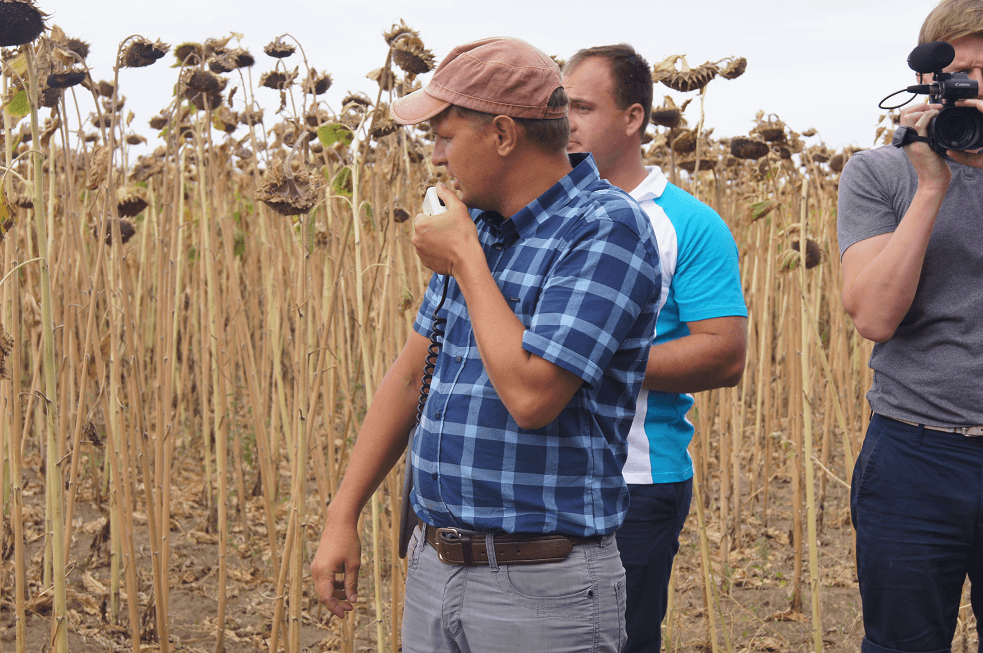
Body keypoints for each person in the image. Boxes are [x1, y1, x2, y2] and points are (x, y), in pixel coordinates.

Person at [311, 36, 663, 653]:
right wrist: (345, 511)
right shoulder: (477, 225)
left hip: (543, 588)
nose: (438, 158)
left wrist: (466, 260)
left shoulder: (606, 228)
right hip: (436, 565)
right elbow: (411, 374)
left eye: (445, 137)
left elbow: (533, 395)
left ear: (503, 134)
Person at [561, 45, 747, 653]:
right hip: (530, 481)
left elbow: (723, 353)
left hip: (633, 479)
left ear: (634, 117)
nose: (566, 122)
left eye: (583, 107)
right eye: (560, 106)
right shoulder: (538, 213)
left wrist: (579, 363)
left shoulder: (687, 224)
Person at [837, 1, 983, 651]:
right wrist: (930, 186)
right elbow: (872, 315)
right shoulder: (879, 172)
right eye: (959, 70)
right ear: (927, 80)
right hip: (913, 454)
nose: (971, 85)